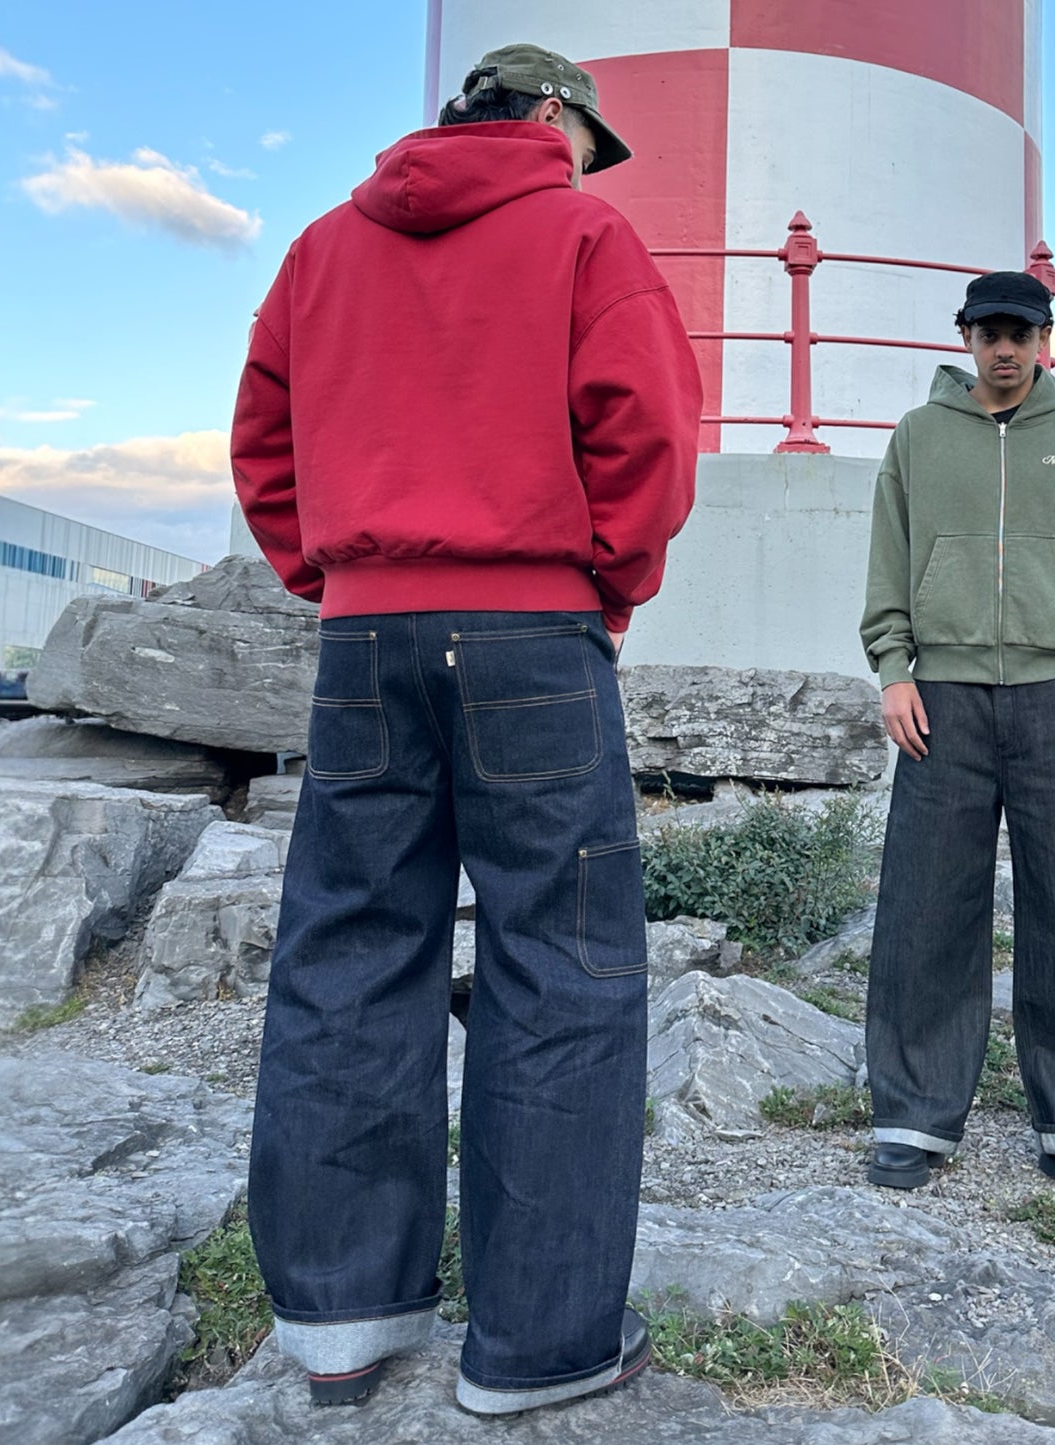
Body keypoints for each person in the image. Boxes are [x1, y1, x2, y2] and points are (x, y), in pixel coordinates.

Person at [230, 43, 702, 1415]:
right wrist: (604, 581)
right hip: (531, 636)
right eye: (585, 140)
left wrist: (335, 577)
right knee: (560, 961)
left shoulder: (323, 248)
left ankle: (339, 1318)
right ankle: (540, 1344)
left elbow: (264, 440)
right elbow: (648, 435)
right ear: (550, 115)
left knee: (345, 949)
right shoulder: (584, 234)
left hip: (366, 638)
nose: (587, 164)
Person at [859, 270, 1055, 1207]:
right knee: (924, 907)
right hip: (939, 696)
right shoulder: (917, 436)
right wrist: (894, 668)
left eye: (1022, 333)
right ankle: (912, 1115)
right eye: (989, 333)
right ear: (967, 338)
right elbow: (890, 561)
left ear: (1045, 340)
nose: (1006, 349)